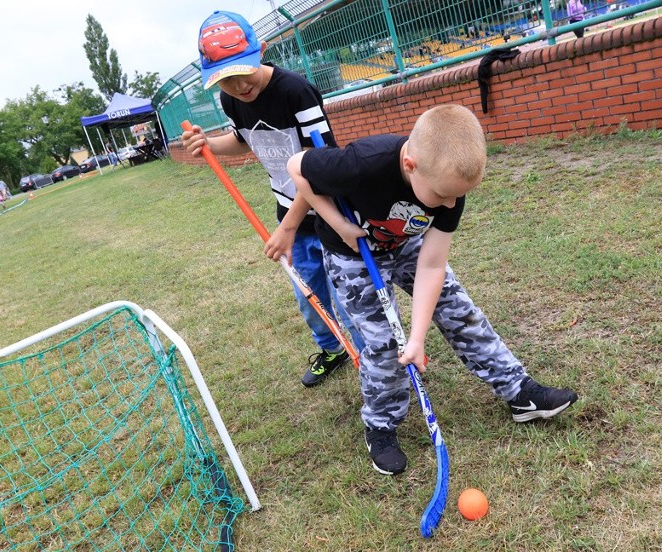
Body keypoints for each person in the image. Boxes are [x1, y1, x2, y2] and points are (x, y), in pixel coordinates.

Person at [287, 105, 579, 475]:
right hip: (353, 255)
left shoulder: (451, 184)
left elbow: (432, 264)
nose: (451, 205)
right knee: (383, 344)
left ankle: (518, 391)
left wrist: (419, 336)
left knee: (459, 309)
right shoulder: (364, 162)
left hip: (408, 245)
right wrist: (337, 224)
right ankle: (381, 425)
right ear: (410, 165)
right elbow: (297, 167)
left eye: (458, 197)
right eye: (442, 196)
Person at [183, 10, 365, 388]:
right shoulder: (231, 100)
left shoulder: (295, 91)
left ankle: (368, 358)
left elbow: (320, 167)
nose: (238, 86)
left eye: (242, 73)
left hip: (331, 214)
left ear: (260, 50)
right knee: (308, 296)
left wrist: (287, 228)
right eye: (225, 80)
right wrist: (208, 144)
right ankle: (331, 350)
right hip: (291, 215)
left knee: (349, 299)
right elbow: (243, 138)